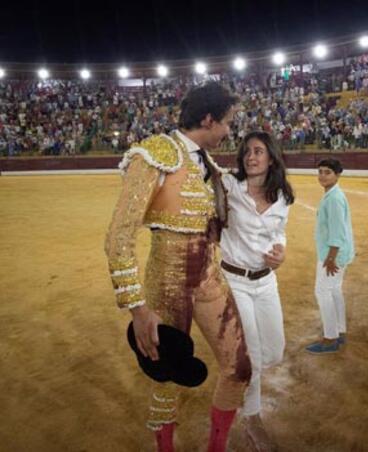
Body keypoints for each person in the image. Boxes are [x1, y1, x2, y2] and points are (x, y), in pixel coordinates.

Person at [104, 82, 251, 452]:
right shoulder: (155, 153)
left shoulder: (209, 164)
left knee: (239, 367)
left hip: (208, 277)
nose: (230, 130)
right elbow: (119, 237)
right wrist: (138, 308)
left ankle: (216, 448)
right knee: (166, 377)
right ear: (208, 118)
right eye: (228, 121)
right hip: (165, 282)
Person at [220, 131, 294, 451]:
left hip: (265, 282)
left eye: (259, 151)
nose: (251, 157)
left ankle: (245, 375)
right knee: (253, 354)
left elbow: (280, 233)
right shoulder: (228, 186)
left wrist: (281, 251)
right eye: (247, 151)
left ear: (271, 157)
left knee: (274, 351)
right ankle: (252, 417)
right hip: (234, 280)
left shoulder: (283, 197)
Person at [306, 158, 355, 354]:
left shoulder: (334, 198)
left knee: (323, 291)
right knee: (334, 290)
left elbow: (337, 232)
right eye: (320, 172)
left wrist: (331, 258)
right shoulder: (333, 195)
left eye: (327, 172)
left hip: (332, 255)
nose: (322, 176)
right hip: (337, 253)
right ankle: (339, 331)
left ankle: (330, 337)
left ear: (337, 174)